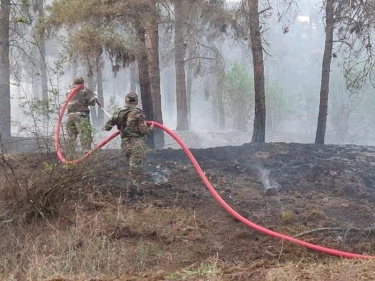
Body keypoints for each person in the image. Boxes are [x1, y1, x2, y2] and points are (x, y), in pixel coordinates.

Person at [103, 92, 154, 203]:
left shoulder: (118, 112)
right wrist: (151, 128)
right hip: (137, 145)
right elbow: (143, 131)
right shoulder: (138, 114)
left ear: (126, 101)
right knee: (135, 171)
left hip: (125, 144)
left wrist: (118, 123)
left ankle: (138, 190)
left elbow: (106, 127)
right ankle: (130, 197)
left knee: (135, 168)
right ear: (136, 101)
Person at [65, 76, 98, 155]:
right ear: (83, 82)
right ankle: (86, 158)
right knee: (85, 136)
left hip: (70, 117)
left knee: (71, 137)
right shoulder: (85, 90)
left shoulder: (68, 91)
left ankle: (69, 158)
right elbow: (92, 102)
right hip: (81, 116)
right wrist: (95, 98)